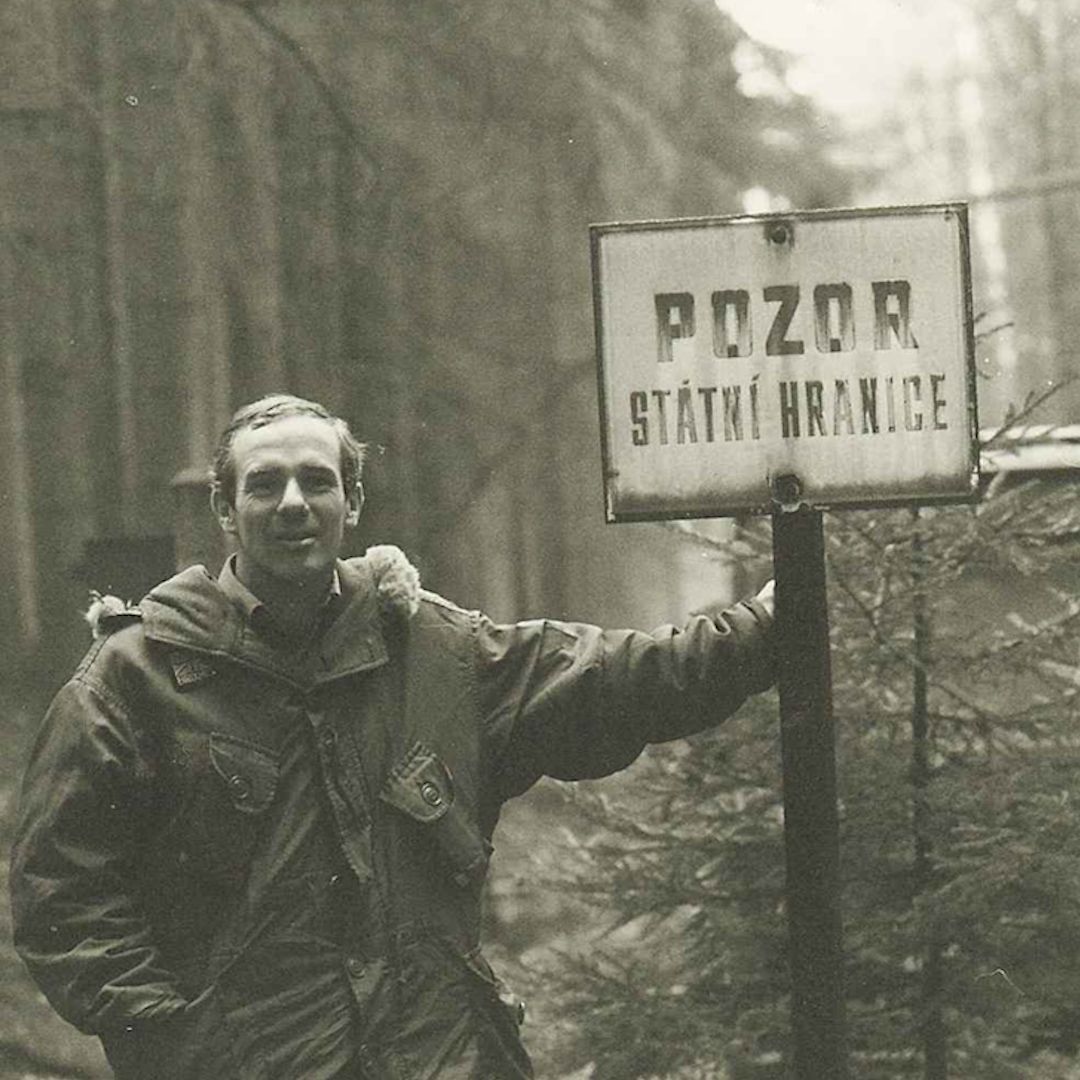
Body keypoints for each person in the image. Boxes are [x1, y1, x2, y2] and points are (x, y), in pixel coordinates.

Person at [10, 393, 776, 1080]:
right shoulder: (136, 677)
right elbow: (62, 891)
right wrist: (170, 1043)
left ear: (354, 500)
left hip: (440, 1056)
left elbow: (615, 678)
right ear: (223, 509)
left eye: (316, 480)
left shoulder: (437, 653)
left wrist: (771, 622)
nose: (292, 503)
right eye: (263, 483)